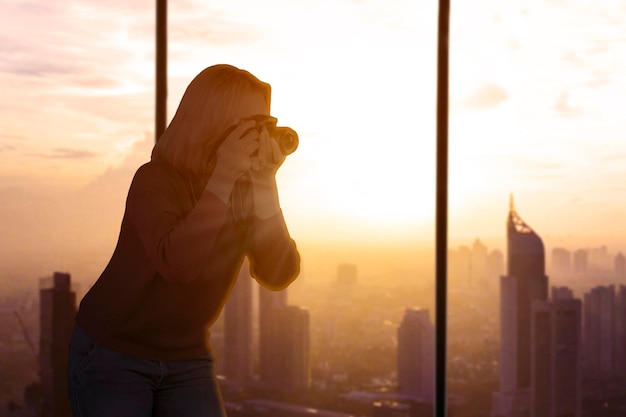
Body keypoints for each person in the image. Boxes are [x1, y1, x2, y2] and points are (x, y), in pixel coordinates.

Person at [67, 64, 301, 417]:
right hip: (114, 352)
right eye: (250, 127)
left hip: (186, 356)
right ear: (215, 124)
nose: (260, 137)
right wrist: (223, 175)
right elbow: (178, 265)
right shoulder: (155, 181)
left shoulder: (244, 192)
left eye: (264, 126)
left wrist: (266, 183)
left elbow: (278, 272)